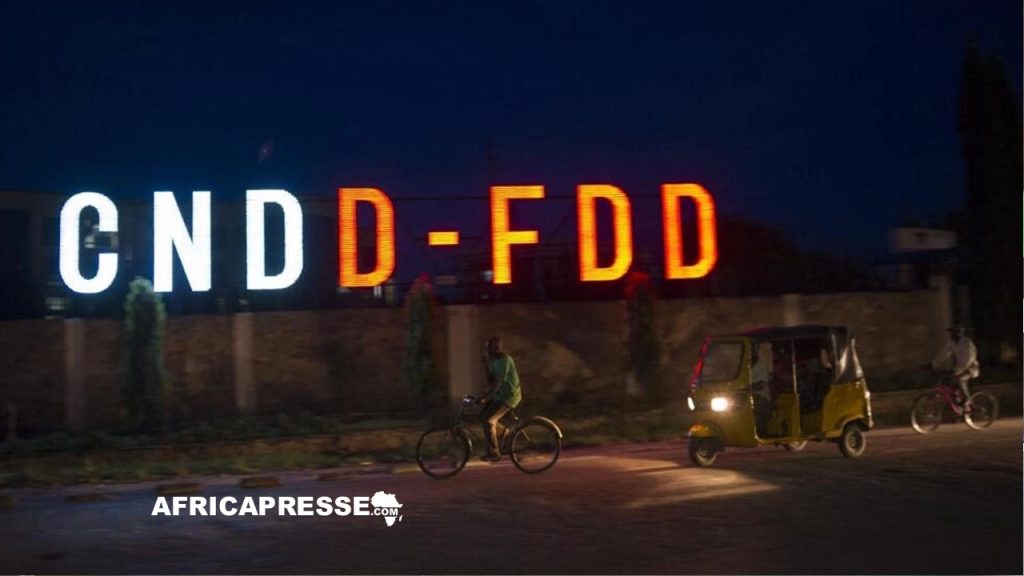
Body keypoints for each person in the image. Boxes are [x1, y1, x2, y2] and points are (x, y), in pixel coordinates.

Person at [479, 336, 523, 461]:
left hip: (510, 396)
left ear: (496, 348)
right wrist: (486, 365)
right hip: (500, 395)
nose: (487, 351)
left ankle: (494, 453)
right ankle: (505, 433)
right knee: (482, 417)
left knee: (488, 420)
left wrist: (486, 398)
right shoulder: (495, 361)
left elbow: (498, 384)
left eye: (489, 348)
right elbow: (491, 381)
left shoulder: (505, 360)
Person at [931, 325, 980, 405]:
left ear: (959, 333)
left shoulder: (967, 343)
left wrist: (957, 371)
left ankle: (968, 399)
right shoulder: (951, 342)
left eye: (953, 332)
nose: (951, 334)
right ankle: (959, 407)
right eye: (951, 332)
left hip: (970, 369)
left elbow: (968, 359)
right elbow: (943, 354)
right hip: (958, 369)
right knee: (951, 386)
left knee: (959, 380)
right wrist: (932, 364)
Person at [750, 342, 773, 436]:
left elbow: (762, 384)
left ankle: (761, 433)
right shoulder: (743, 364)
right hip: (746, 395)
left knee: (759, 408)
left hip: (761, 396)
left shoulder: (760, 364)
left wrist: (748, 388)